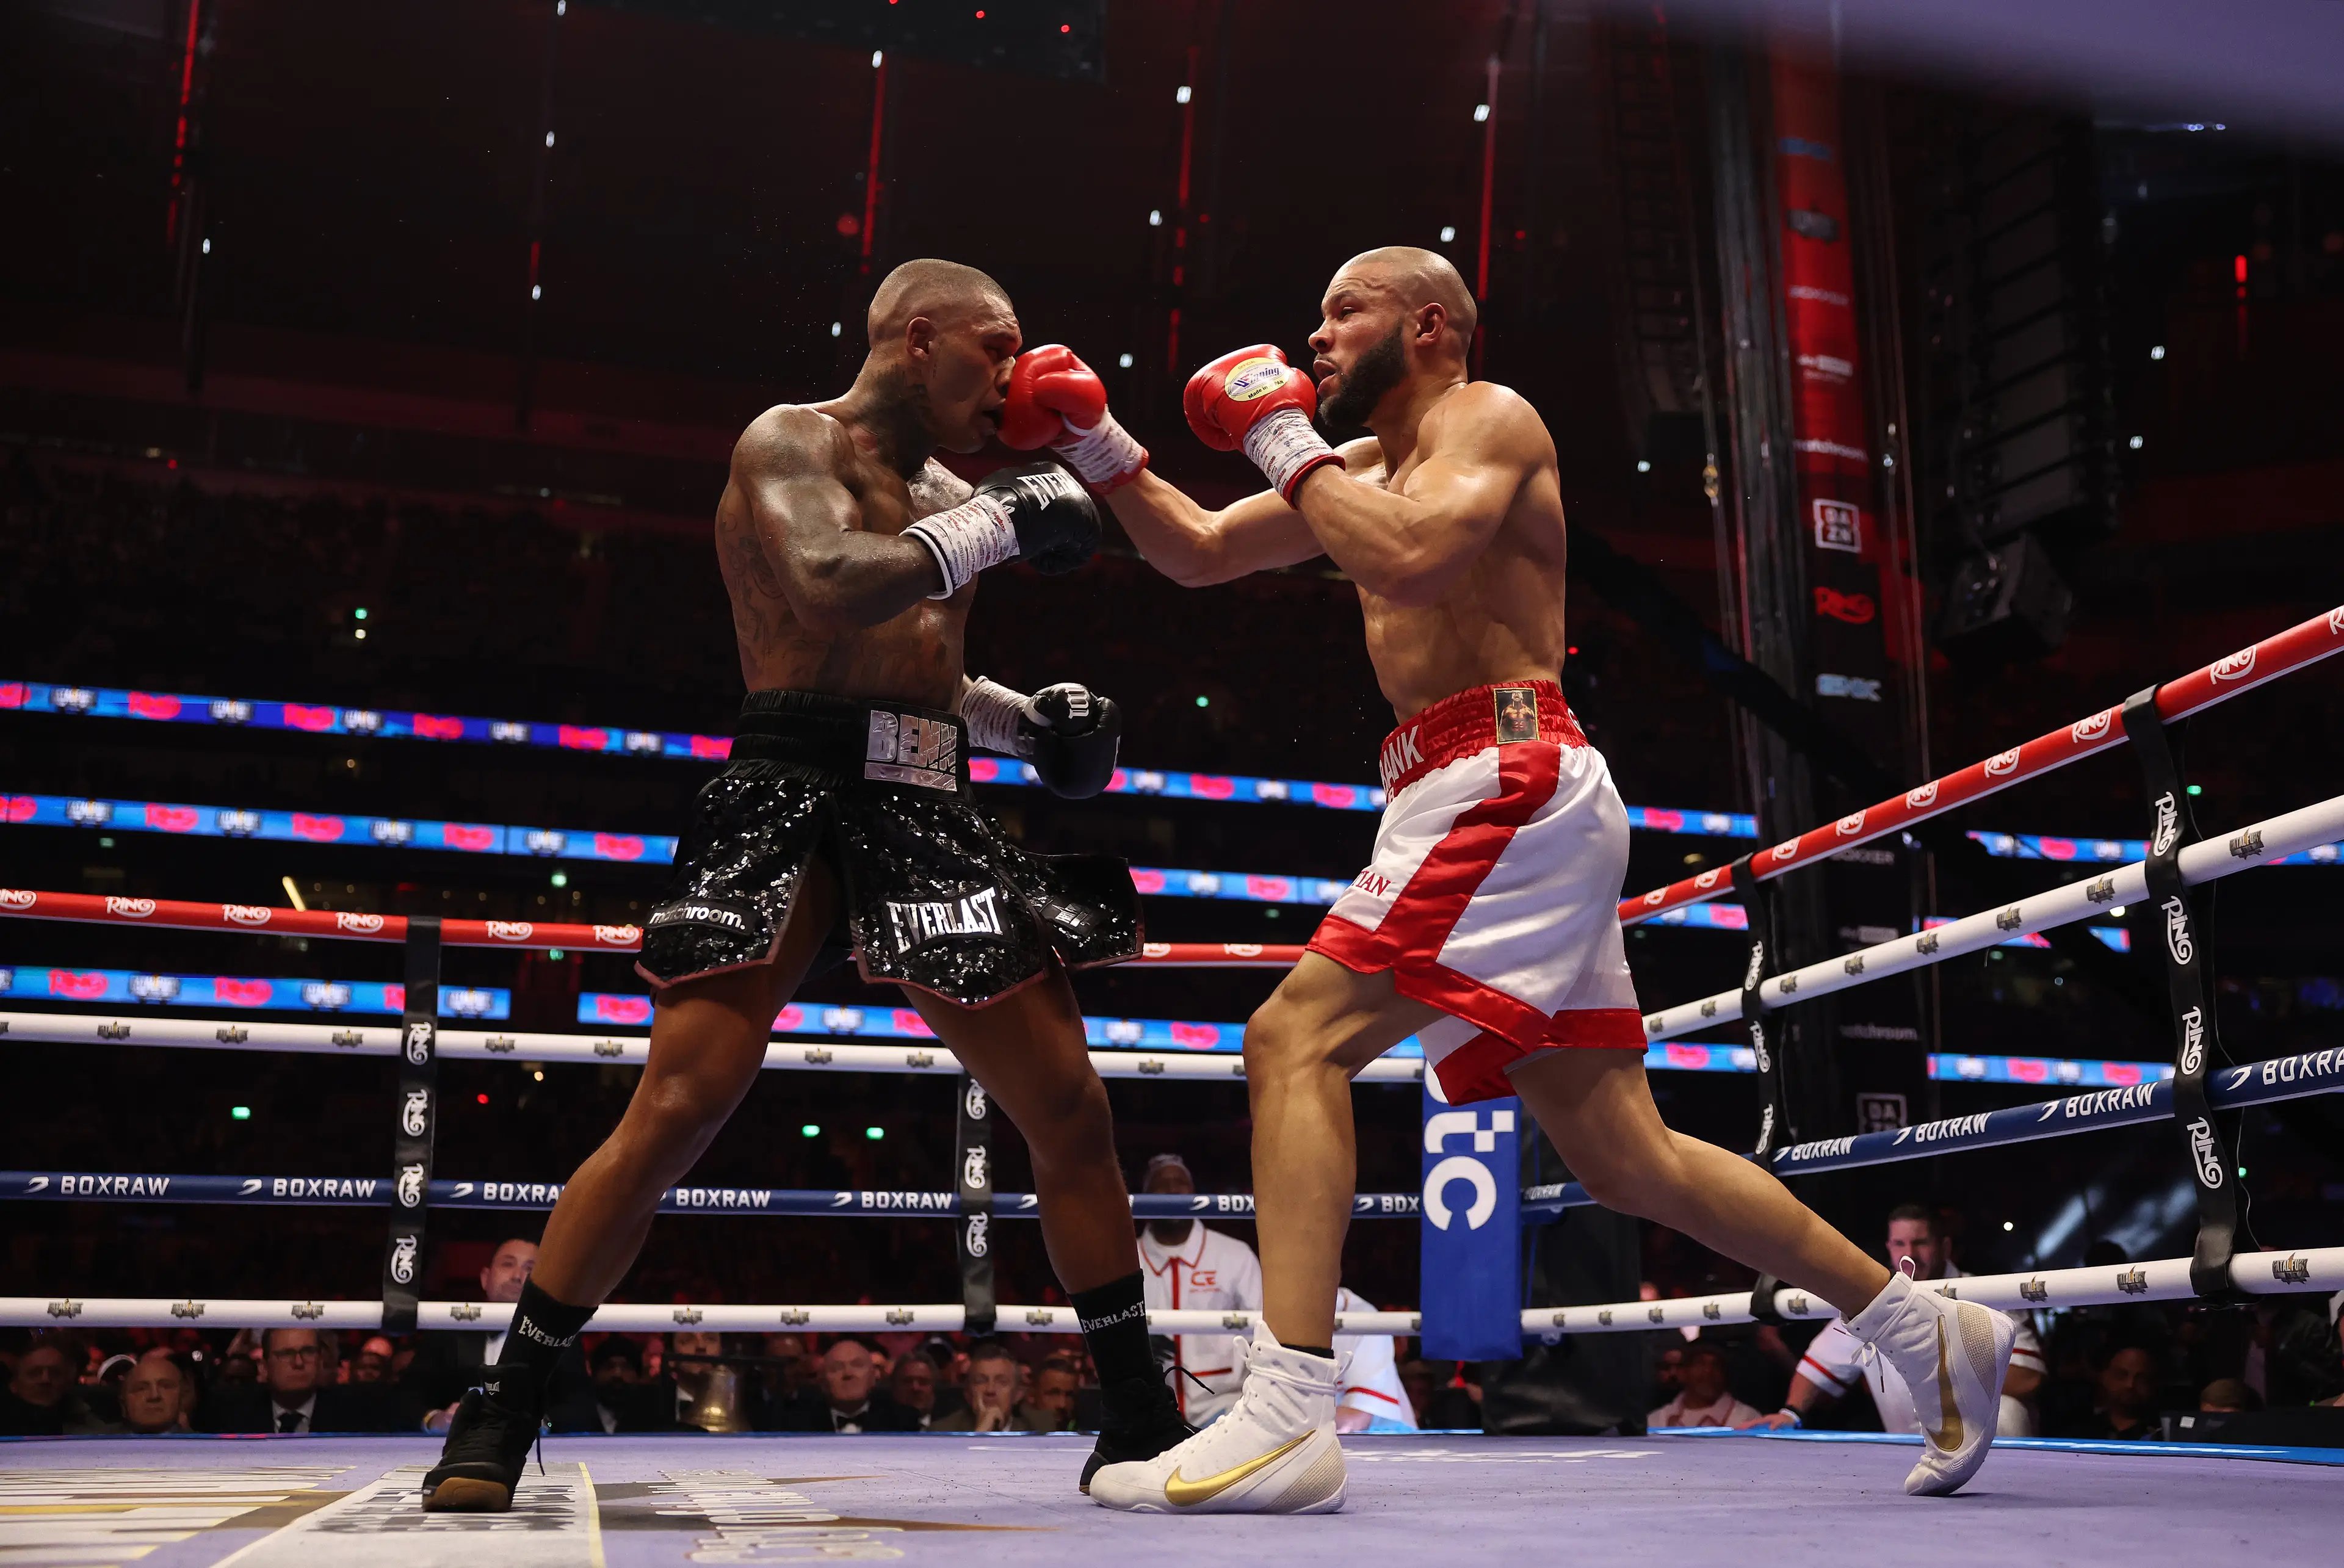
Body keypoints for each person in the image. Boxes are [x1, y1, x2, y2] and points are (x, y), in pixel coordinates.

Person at [1037, 247, 2015, 1513]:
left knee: (1292, 1039)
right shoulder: (1361, 468)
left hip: (1505, 771)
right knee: (1627, 1156)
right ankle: (1918, 1325)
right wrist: (1100, 441)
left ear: (1429, 325)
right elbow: (1205, 551)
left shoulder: (1488, 418)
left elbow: (1409, 558)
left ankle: (1287, 1411)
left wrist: (1278, 432)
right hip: (1461, 785)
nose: (1317, 337)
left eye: (1345, 312)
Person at [422, 258, 1190, 1511]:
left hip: (925, 796)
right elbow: (827, 588)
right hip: (791, 778)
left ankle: (1140, 1411)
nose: (1012, 376)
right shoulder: (791, 439)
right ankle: (505, 1404)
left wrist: (1028, 724)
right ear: (919, 339)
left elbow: (924, 673)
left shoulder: (954, 492)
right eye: (997, 346)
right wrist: (1002, 521)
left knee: (1070, 1105)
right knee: (681, 1104)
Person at [1744, 1205, 2046, 1437]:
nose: (1910, 1254)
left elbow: (2028, 1377)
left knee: (2008, 1413)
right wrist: (1790, 1413)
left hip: (1988, 1447)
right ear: (1889, 1248)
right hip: (1908, 1452)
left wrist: (1937, 1371)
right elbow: (1818, 1365)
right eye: (1900, 1243)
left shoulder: (1982, 1294)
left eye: (1920, 1243)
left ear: (1944, 1247)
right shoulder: (1875, 1300)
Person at [405, 1237, 596, 1434]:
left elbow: (582, 1409)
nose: (518, 1276)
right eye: (508, 1264)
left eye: (530, 1269)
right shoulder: (447, 1331)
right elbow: (405, 1400)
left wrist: (540, 1423)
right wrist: (436, 1420)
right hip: (451, 1446)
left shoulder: (560, 1336)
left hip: (530, 1448)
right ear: (485, 1278)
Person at [1135, 1153, 1263, 1423]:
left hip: (1227, 1411)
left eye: (1180, 1183)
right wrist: (1133, 1344)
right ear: (1144, 1197)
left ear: (1195, 1193)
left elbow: (1265, 1333)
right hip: (1147, 1412)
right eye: (1161, 1184)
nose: (1172, 1190)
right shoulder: (1125, 1260)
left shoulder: (1234, 1255)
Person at [199, 1329, 395, 1434]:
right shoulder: (233, 1413)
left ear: (320, 1360)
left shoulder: (354, 1413)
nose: (299, 1362)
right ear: (265, 1365)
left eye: (308, 1352)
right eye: (287, 1354)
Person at [770, 1337, 919, 1434]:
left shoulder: (904, 1420)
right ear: (822, 1381)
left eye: (857, 1365)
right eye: (836, 1368)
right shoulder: (794, 1423)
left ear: (874, 1376)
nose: (848, 1374)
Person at [1331, 1287, 1416, 1434]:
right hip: (1317, 1439)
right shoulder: (1290, 1315)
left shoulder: (1362, 1318)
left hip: (1386, 1443)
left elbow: (1355, 1419)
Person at [1648, 1344, 1761, 1429]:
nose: (1708, 1371)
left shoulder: (1748, 1419)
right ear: (1683, 1373)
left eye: (1716, 1365)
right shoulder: (1658, 1420)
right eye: (1700, 1363)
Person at [930, 1342, 1035, 1432]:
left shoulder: (1036, 1431)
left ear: (1018, 1394)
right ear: (967, 1394)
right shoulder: (942, 1432)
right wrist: (981, 1433)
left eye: (1002, 1382)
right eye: (980, 1381)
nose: (990, 1390)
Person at [117, 1349, 190, 1435]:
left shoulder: (200, 1442)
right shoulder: (104, 1439)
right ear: (123, 1403)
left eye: (166, 1386)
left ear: (183, 1398)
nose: (154, 1396)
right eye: (141, 1389)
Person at [891, 1349, 942, 1430]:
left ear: (934, 1386)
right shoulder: (878, 1427)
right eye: (908, 1381)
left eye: (923, 1382)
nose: (915, 1388)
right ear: (895, 1386)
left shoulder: (950, 1427)